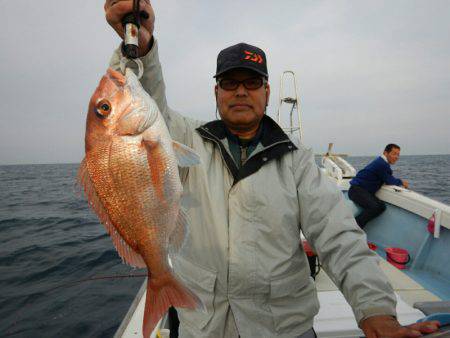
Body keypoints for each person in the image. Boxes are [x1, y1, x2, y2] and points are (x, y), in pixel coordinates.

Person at [104, 1, 439, 337]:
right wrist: (141, 46)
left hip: (282, 329)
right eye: (229, 82)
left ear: (266, 92)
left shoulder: (297, 161)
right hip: (202, 327)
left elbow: (339, 237)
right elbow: (137, 100)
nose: (240, 91)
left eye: (251, 83)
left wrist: (375, 310)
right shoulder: (183, 139)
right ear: (216, 92)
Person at [349, 144, 409, 228]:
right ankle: (352, 228)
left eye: (398, 154)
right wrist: (402, 182)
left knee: (381, 207)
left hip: (362, 191)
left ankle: (356, 227)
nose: (396, 157)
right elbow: (390, 180)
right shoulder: (382, 164)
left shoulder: (381, 162)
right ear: (385, 153)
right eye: (394, 153)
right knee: (375, 207)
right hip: (356, 191)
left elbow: (386, 177)